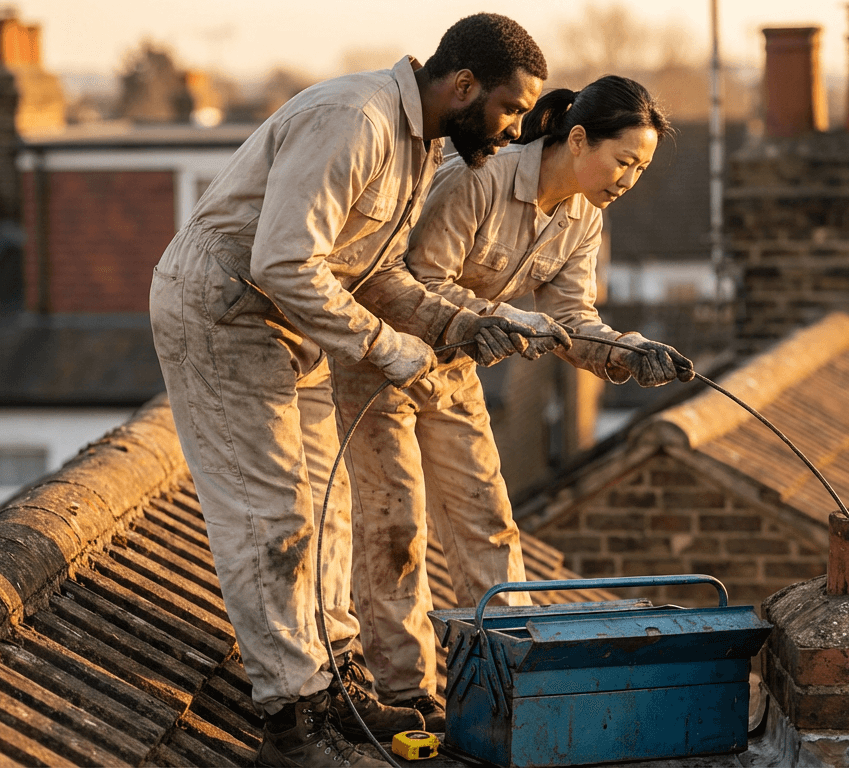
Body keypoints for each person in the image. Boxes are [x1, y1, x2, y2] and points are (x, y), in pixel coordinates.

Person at [147, 14, 548, 768]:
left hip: (290, 328)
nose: (514, 129)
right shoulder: (355, 120)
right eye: (511, 108)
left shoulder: (421, 143)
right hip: (223, 312)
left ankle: (329, 682)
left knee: (324, 515)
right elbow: (285, 263)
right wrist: (387, 348)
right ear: (463, 85)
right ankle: (291, 724)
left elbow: (380, 272)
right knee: (270, 517)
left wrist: (456, 322)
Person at [332, 75, 694, 732]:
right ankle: (408, 694)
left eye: (640, 169)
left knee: (489, 524)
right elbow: (412, 282)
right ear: (578, 137)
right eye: (624, 161)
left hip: (455, 374)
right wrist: (504, 318)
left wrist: (628, 352)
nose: (628, 180)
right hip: (379, 364)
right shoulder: (477, 178)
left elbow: (570, 318)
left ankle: (510, 686)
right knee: (395, 531)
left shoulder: (585, 218)